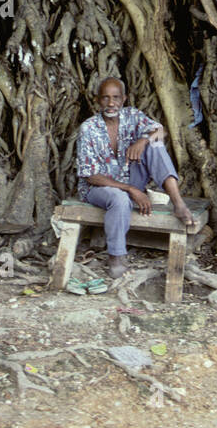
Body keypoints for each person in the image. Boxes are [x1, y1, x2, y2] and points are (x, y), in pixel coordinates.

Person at [75, 78, 197, 278]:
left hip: (130, 178)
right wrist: (131, 190)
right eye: (105, 98)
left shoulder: (132, 116)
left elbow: (160, 130)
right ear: (97, 100)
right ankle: (116, 257)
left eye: (116, 98)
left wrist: (143, 140)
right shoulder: (88, 128)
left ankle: (178, 202)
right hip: (99, 188)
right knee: (119, 198)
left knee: (155, 145)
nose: (111, 103)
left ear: (124, 99)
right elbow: (90, 176)